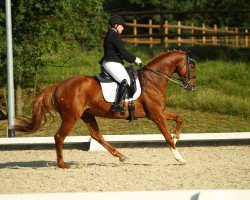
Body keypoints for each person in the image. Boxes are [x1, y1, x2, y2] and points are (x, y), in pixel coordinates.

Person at [100, 15, 142, 114]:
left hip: (113, 61)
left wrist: (132, 60)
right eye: (121, 26)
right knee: (125, 80)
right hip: (111, 62)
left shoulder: (113, 34)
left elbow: (120, 53)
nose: (123, 28)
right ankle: (117, 105)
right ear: (115, 25)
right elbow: (123, 51)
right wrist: (135, 59)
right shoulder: (113, 35)